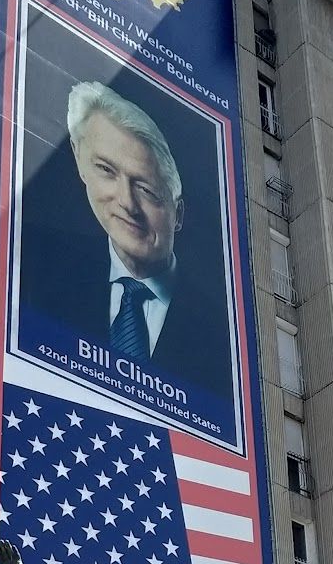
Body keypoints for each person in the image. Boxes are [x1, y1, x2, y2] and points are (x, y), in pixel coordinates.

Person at [16, 80, 236, 434]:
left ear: (178, 214)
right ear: (80, 162)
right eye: (106, 170)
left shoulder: (220, 332)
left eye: (147, 190)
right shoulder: (36, 271)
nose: (127, 204)